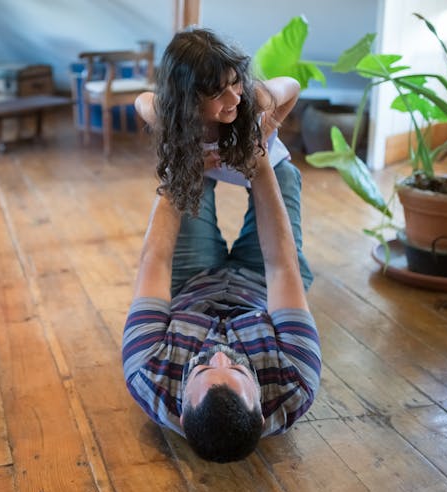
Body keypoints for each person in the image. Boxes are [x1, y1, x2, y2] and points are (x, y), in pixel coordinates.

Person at [122, 27, 321, 463]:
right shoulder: (294, 379)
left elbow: (154, 261)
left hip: (194, 282)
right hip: (263, 283)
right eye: (236, 368)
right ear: (260, 396)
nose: (218, 355)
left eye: (203, 367)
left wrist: (183, 169)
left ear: (181, 397)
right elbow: (282, 267)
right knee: (283, 180)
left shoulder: (148, 372)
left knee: (191, 185)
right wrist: (261, 167)